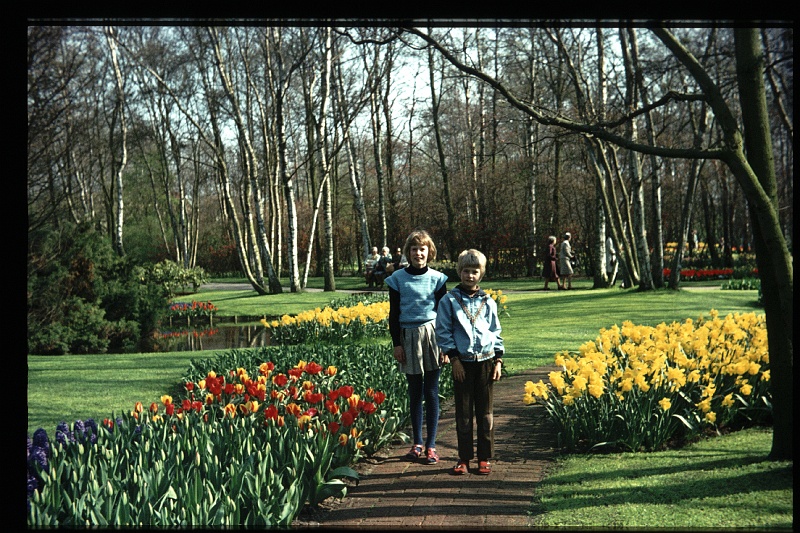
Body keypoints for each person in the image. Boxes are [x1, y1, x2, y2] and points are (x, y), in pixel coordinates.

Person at [436, 249, 504, 476]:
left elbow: (495, 331)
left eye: (475, 272)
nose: (470, 276)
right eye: (466, 271)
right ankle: (464, 457)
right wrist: (453, 359)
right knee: (464, 413)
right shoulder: (449, 300)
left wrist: (498, 361)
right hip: (462, 363)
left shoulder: (488, 301)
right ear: (460, 272)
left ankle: (484, 457)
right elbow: (443, 331)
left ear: (481, 274)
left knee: (486, 413)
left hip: (485, 362)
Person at [385, 230, 449, 465]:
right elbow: (393, 314)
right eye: (414, 249)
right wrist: (397, 344)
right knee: (414, 391)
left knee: (431, 391)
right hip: (408, 335)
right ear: (408, 253)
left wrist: (445, 345)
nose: (418, 253)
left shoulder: (438, 278)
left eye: (422, 249)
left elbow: (444, 314)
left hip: (432, 335)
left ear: (429, 252)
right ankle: (417, 442)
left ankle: (431, 446)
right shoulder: (397, 279)